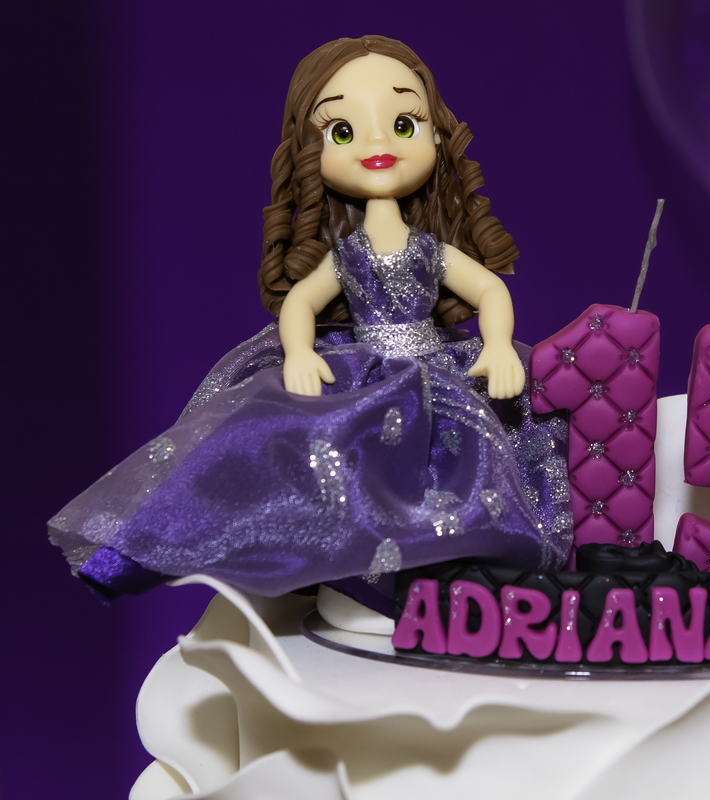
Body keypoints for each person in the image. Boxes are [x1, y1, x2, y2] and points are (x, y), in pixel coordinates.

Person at [49, 36, 571, 601]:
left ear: (437, 137)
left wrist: (497, 345)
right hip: (365, 370)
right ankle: (359, 582)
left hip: (435, 367)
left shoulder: (429, 250)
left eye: (403, 124)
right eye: (342, 131)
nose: (377, 143)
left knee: (455, 464)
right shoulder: (346, 256)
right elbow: (300, 303)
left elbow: (489, 288)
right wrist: (299, 352)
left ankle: (442, 581)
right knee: (333, 455)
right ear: (310, 150)